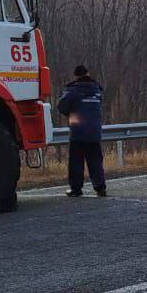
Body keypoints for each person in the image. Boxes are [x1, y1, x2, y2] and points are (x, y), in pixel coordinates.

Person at [56, 64, 106, 197]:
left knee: (76, 161)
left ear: (76, 76)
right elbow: (99, 104)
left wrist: (70, 113)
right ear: (88, 74)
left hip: (78, 131)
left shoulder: (73, 90)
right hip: (95, 132)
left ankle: (76, 189)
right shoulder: (97, 90)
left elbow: (61, 106)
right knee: (95, 160)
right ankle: (100, 187)